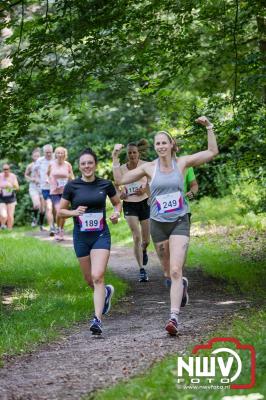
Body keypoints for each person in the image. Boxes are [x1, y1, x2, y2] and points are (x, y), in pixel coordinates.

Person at [112, 116, 218, 335]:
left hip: (179, 220)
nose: (160, 146)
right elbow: (120, 180)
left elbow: (211, 152)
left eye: (164, 142)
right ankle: (181, 288)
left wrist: (209, 127)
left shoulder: (183, 163)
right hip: (158, 223)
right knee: (168, 272)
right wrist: (115, 158)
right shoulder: (150, 168)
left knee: (177, 269)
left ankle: (173, 318)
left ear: (171, 145)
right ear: (155, 147)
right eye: (157, 143)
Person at [58, 148, 122, 335]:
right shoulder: (72, 186)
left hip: (101, 234)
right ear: (79, 166)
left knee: (97, 275)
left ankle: (97, 319)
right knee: (89, 279)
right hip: (81, 237)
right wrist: (74, 212)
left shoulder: (105, 184)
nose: (87, 166)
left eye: (90, 163)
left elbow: (117, 202)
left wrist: (116, 213)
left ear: (95, 164)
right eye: (83, 163)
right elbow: (60, 211)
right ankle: (106, 294)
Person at [116, 140, 150, 282]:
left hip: (144, 202)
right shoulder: (122, 168)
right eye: (129, 152)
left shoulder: (146, 165)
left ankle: (144, 250)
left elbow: (152, 181)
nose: (132, 155)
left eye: (134, 152)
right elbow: (118, 184)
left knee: (146, 240)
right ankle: (141, 269)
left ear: (138, 153)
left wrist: (144, 189)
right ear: (127, 154)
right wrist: (121, 193)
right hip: (129, 204)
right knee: (136, 237)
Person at [47, 147, 74, 241]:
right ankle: (58, 229)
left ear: (65, 154)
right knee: (59, 211)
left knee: (63, 211)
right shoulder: (51, 164)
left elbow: (71, 176)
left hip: (65, 192)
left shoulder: (68, 165)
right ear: (55, 154)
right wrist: (49, 180)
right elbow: (48, 174)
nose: (59, 155)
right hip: (54, 191)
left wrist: (73, 185)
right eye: (58, 153)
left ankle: (61, 229)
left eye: (61, 153)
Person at [35, 144, 55, 235]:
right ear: (44, 152)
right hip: (45, 188)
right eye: (46, 152)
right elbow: (35, 171)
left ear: (52, 151)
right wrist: (38, 179)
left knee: (55, 208)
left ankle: (56, 225)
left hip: (56, 188)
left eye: (50, 152)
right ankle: (51, 227)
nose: (48, 154)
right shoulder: (40, 160)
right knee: (48, 206)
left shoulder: (56, 158)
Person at [24, 148, 42, 227]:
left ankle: (41, 225)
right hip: (33, 187)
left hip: (42, 186)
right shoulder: (30, 165)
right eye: (35, 156)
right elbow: (26, 175)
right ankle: (34, 219)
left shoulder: (43, 164)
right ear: (32, 157)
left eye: (38, 156)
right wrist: (32, 179)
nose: (37, 157)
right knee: (36, 204)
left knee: (42, 208)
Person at [0, 164, 19, 230]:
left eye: (7, 169)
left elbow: (17, 188)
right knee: (3, 214)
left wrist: (10, 186)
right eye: (4, 169)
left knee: (10, 216)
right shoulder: (0, 176)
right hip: (2, 197)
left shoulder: (13, 176)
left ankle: (9, 230)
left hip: (11, 197)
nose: (5, 171)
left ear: (9, 169)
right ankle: (2, 226)